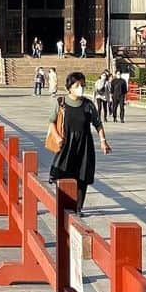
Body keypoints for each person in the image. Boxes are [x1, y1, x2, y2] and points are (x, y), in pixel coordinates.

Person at [47, 70, 111, 216]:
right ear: (69, 87)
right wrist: (56, 137)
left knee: (82, 175)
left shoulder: (88, 105)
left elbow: (98, 123)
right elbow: (51, 122)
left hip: (84, 144)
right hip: (66, 144)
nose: (80, 88)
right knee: (63, 173)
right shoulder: (61, 103)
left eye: (82, 85)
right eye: (77, 85)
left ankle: (78, 207)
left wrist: (103, 141)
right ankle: (63, 203)